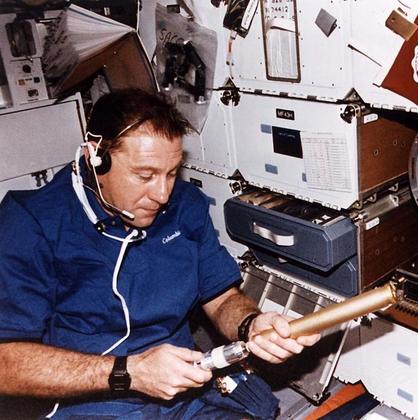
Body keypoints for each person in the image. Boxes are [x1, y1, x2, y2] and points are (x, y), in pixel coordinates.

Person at [0, 89, 320, 419]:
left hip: (184, 386)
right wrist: (129, 372)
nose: (162, 194)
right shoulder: (30, 223)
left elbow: (222, 298)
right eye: (145, 175)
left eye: (171, 173)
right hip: (89, 399)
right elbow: (5, 364)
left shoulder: (185, 205)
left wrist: (250, 325)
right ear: (95, 156)